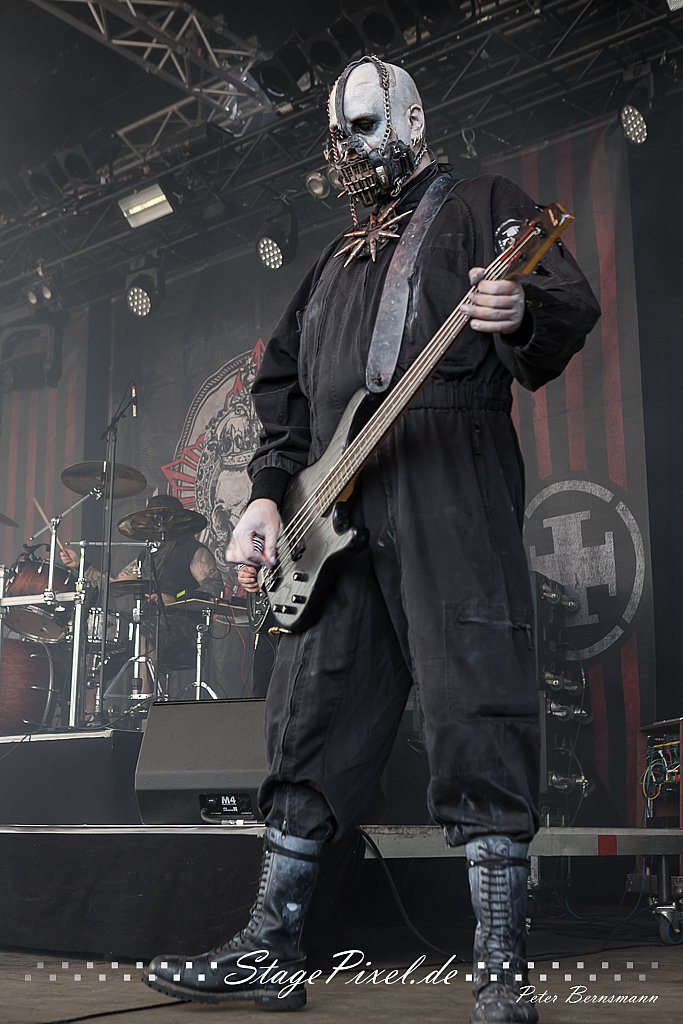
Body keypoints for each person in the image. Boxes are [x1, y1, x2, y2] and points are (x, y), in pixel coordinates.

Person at [145, 57, 600, 1021]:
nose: (346, 146)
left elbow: (560, 297)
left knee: (476, 697)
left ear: (412, 118)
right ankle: (272, 949)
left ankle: (498, 962)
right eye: (335, 131)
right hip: (333, 511)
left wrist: (519, 309)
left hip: (448, 479)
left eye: (362, 124)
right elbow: (282, 391)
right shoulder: (330, 264)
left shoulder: (483, 206)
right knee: (309, 714)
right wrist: (268, 496)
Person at [60, 494, 223, 692]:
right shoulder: (146, 556)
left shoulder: (194, 551)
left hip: (186, 626)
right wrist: (81, 565)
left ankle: (144, 701)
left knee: (143, 633)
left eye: (160, 519)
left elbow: (214, 590)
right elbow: (115, 587)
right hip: (149, 620)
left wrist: (176, 599)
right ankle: (93, 702)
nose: (156, 525)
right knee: (102, 642)